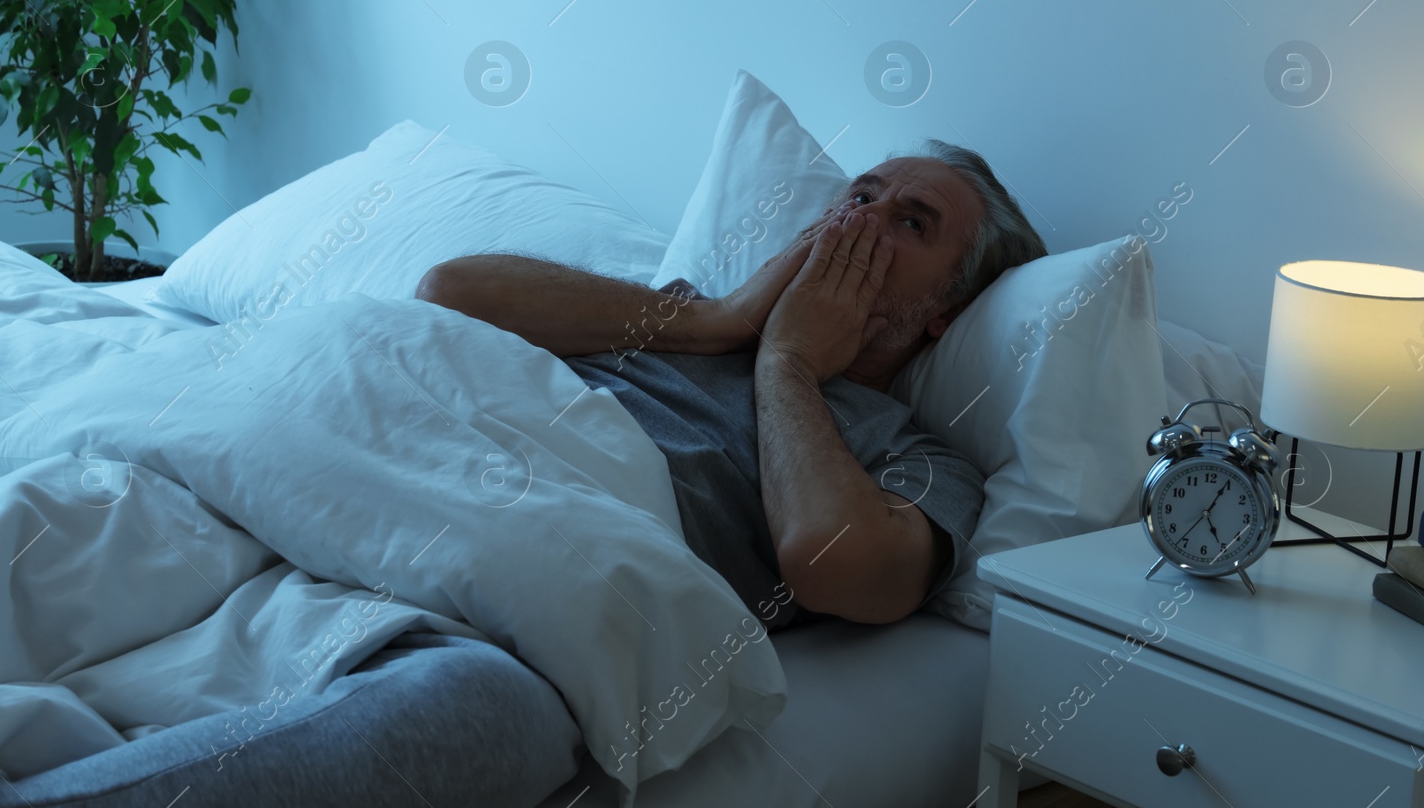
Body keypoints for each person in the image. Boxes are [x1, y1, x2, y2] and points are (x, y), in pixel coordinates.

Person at [416, 140, 1047, 628]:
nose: (859, 224)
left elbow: (837, 568)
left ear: (947, 310)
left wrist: (789, 363)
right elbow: (449, 294)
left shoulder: (921, 462)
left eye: (912, 223)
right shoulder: (681, 316)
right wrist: (712, 320)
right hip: (424, 477)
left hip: (529, 578)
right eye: (859, 199)